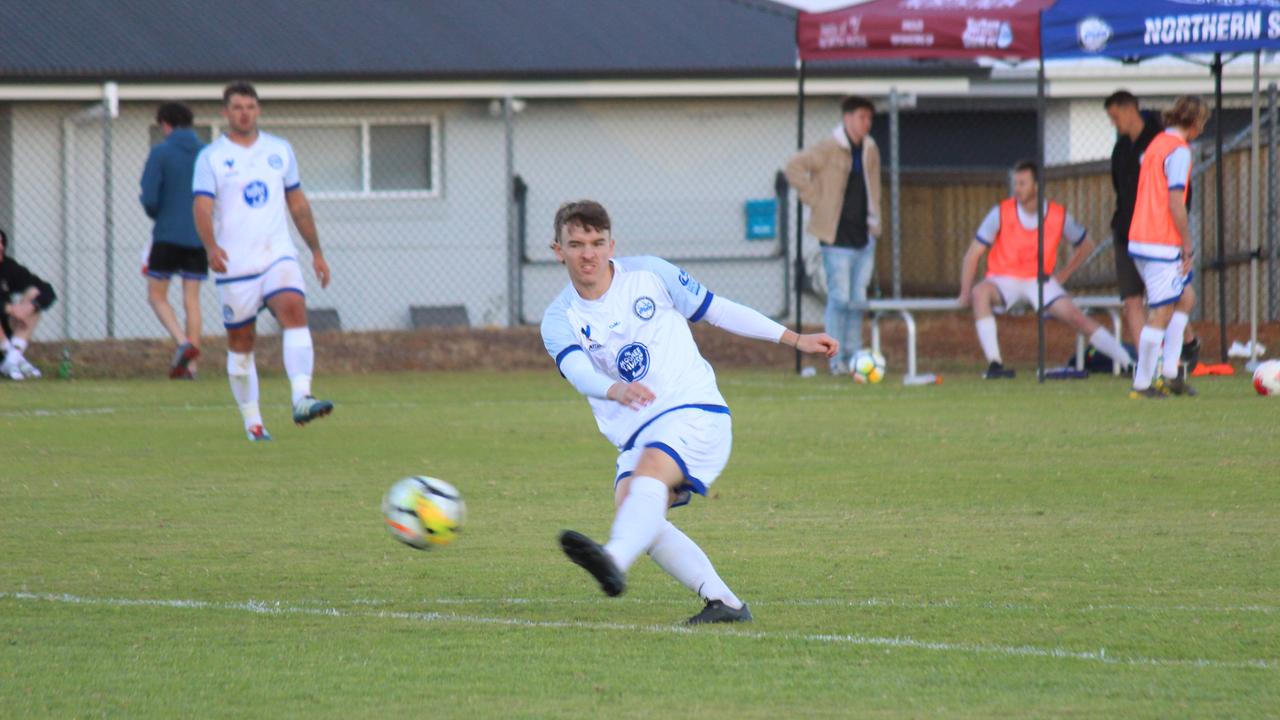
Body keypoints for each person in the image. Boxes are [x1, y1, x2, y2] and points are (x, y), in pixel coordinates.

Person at [541, 200, 837, 624]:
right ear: (558, 251)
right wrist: (614, 388)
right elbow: (578, 372)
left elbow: (718, 310)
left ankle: (612, 560)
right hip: (637, 433)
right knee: (634, 508)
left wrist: (793, 338)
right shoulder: (559, 318)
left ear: (611, 244)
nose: (588, 253)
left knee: (647, 478)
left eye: (596, 242)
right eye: (576, 244)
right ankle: (725, 603)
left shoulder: (649, 274)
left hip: (693, 410)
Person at [193, 81, 333, 441]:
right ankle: (253, 421)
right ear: (226, 113)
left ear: (258, 110)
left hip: (278, 255)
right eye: (238, 107)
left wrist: (316, 251)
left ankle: (302, 396)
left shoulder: (279, 150)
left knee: (293, 307)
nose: (245, 113)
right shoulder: (211, 158)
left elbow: (298, 204)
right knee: (242, 343)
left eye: (251, 106)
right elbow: (202, 208)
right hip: (235, 266)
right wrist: (211, 247)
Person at [958, 160, 1133, 378]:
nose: (1017, 189)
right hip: (1003, 280)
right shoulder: (1001, 212)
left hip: (1039, 282)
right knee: (979, 293)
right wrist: (965, 293)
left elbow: (1086, 245)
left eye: (1022, 183)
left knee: (1076, 317)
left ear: (1037, 186)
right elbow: (972, 254)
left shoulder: (1057, 215)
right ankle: (995, 364)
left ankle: (1127, 363)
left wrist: (1064, 274)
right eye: (1016, 183)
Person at [785, 95, 882, 375]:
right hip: (836, 239)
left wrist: (875, 222)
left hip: (863, 237)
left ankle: (854, 356)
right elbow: (795, 167)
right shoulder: (829, 147)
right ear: (848, 118)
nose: (866, 124)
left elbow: (872, 187)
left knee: (856, 300)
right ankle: (835, 357)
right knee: (839, 298)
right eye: (862, 117)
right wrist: (815, 199)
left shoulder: (870, 149)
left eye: (869, 119)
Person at [1105, 90, 1200, 368]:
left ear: (1130, 108)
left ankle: (1178, 353)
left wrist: (1180, 234)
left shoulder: (1159, 141)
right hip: (1141, 235)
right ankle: (1150, 369)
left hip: (1151, 236)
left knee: (1179, 298)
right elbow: (1170, 198)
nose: (1114, 123)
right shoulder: (1127, 149)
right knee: (1143, 303)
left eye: (1115, 116)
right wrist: (1185, 240)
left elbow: (1178, 195)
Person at [1128, 95, 1209, 399]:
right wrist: (1187, 246)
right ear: (1195, 122)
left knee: (1185, 298)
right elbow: (1176, 202)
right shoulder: (1179, 152)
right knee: (1161, 312)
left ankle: (1172, 373)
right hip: (1160, 241)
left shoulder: (1157, 144)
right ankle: (1142, 384)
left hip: (1141, 237)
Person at [141, 101, 206, 379]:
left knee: (156, 296)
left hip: (168, 234)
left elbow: (150, 197)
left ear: (165, 124)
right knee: (191, 300)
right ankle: (192, 367)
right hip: (199, 235)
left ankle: (183, 343)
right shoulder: (206, 152)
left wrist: (158, 211)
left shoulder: (161, 152)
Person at [0, 229, 57, 380]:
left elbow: (47, 291)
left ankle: (13, 357)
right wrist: (10, 308)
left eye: (1, 243)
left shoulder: (9, 267)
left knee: (34, 293)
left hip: (6, 328)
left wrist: (30, 307)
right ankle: (12, 358)